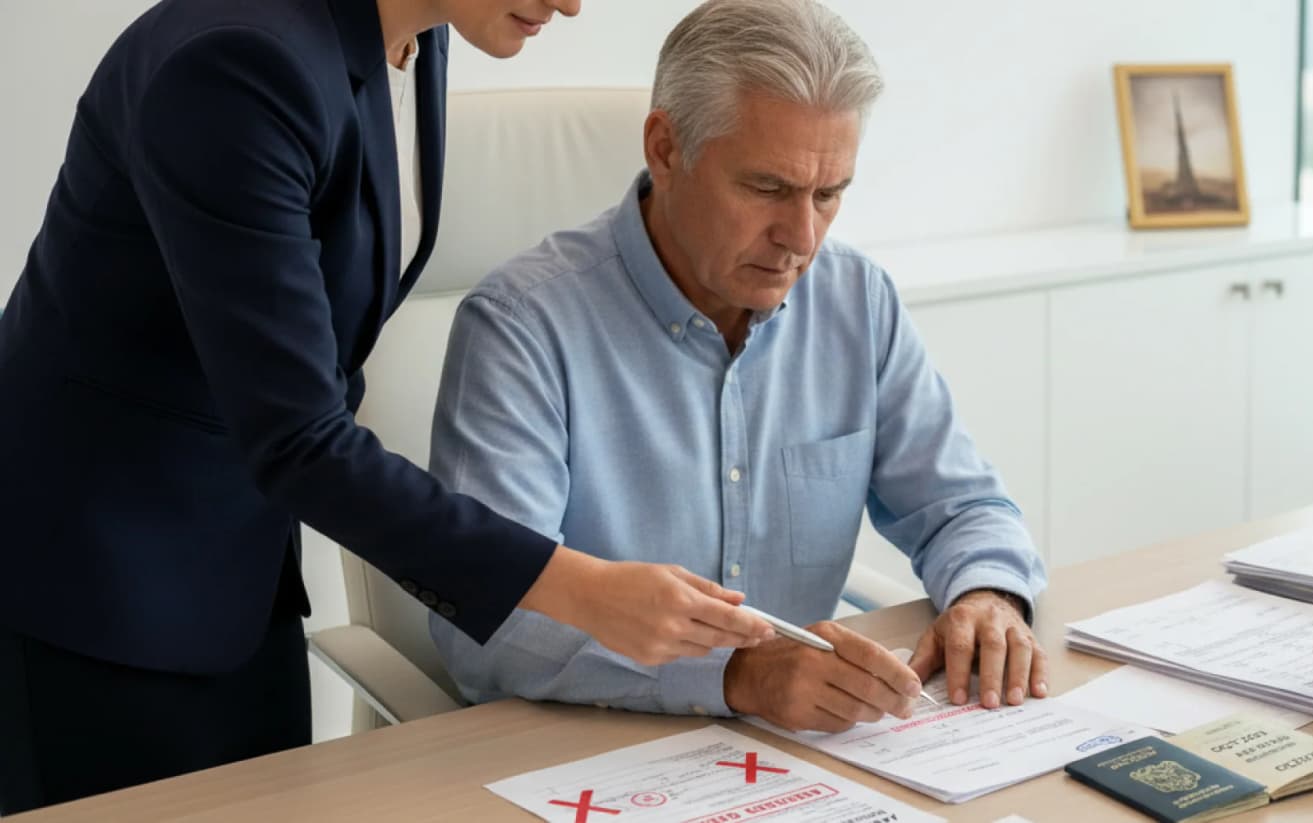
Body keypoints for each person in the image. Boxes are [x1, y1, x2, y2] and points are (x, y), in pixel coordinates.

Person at [0, 0, 774, 813]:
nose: (573, 2)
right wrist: (581, 589)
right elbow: (303, 436)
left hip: (235, 566)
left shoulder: (415, 36)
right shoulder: (236, 65)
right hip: (94, 587)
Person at [428, 0, 1049, 733]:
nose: (801, 236)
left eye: (829, 194)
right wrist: (735, 675)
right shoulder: (521, 326)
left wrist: (988, 594)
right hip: (583, 754)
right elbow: (492, 621)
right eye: (768, 188)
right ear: (665, 147)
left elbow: (963, 506)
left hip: (807, 756)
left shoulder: (855, 300)